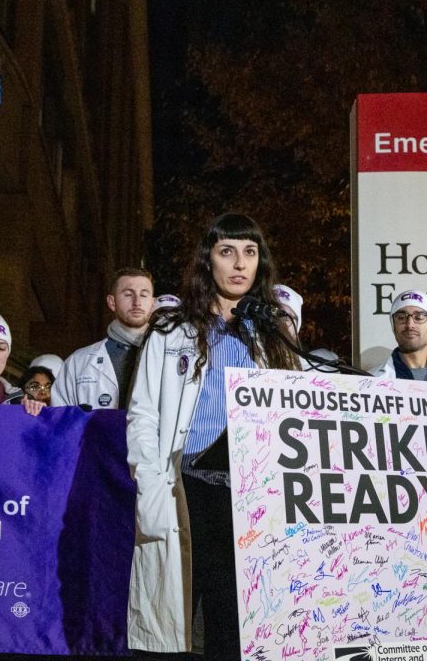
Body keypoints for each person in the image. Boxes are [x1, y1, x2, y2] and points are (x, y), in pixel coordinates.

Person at [125, 213, 298, 658]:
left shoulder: (274, 336)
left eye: (250, 252)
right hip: (188, 486)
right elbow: (143, 413)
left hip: (249, 494)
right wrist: (148, 479)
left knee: (234, 626)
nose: (240, 263)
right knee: (173, 627)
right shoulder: (171, 330)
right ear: (209, 262)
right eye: (227, 252)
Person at [55, 267, 154, 410]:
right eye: (128, 294)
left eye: (144, 295)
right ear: (111, 302)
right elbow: (61, 421)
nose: (137, 302)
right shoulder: (78, 362)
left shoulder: (166, 358)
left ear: (152, 304)